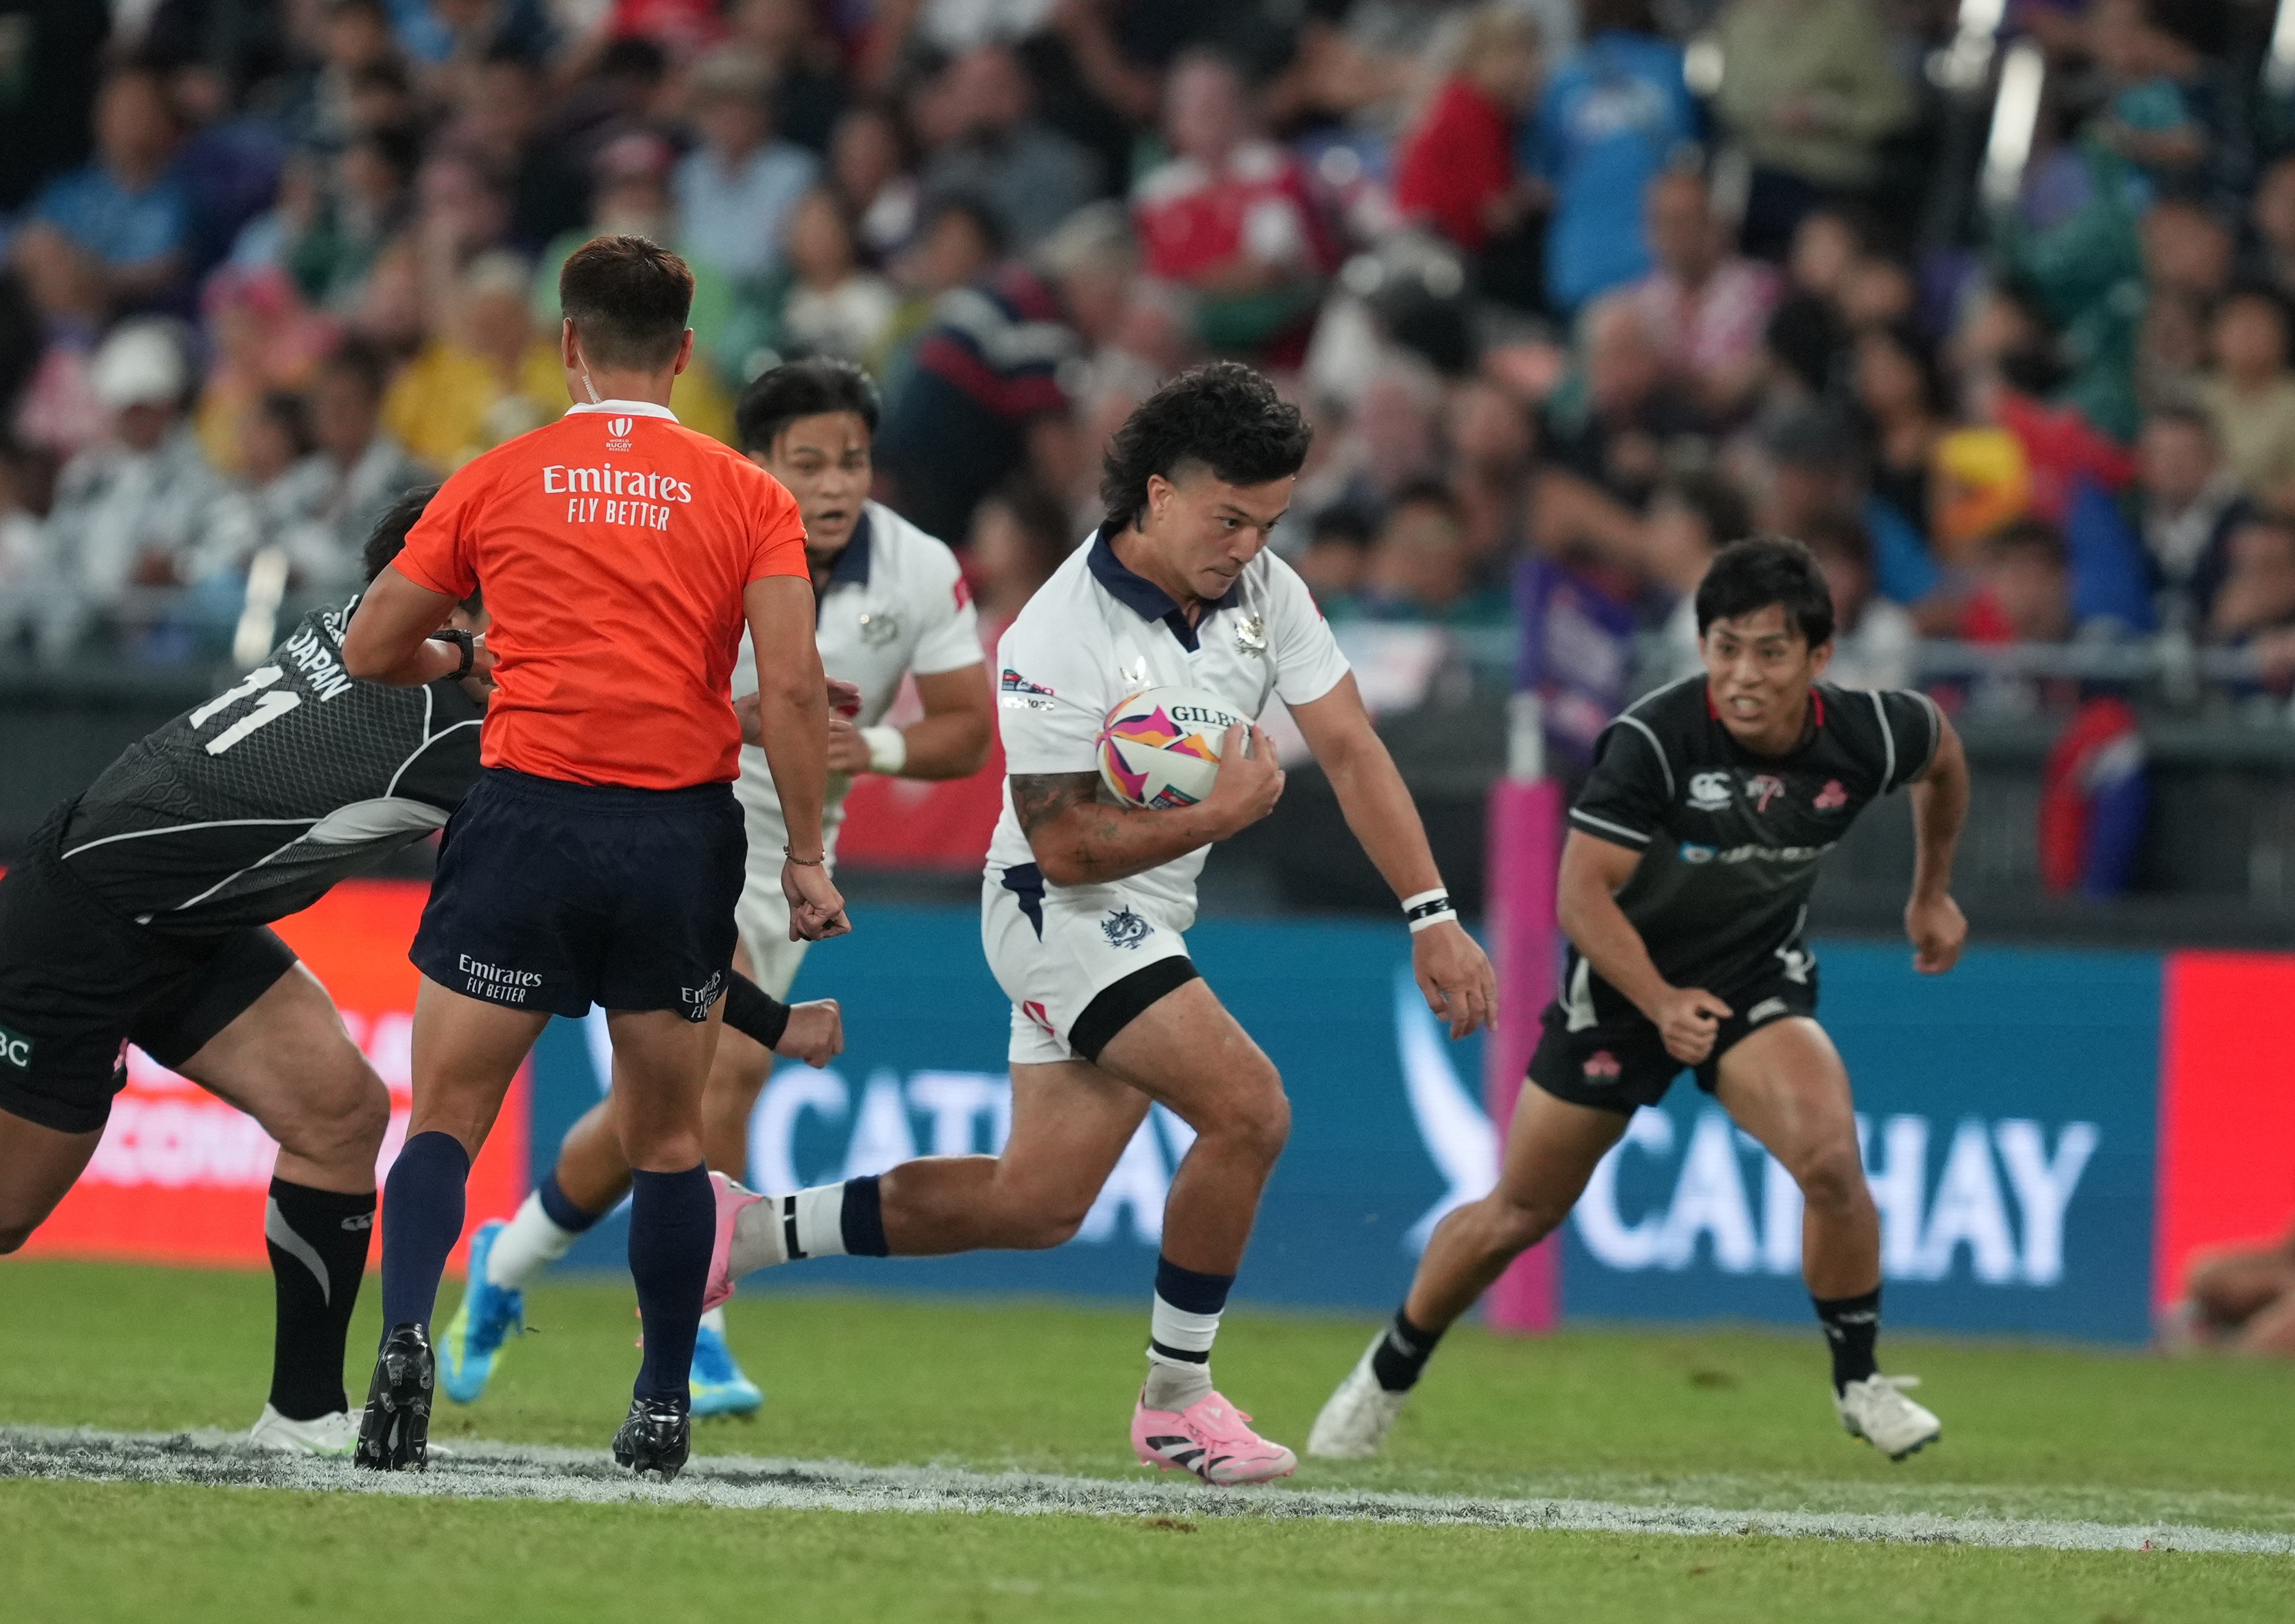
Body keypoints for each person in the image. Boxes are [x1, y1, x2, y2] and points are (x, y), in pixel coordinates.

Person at [702, 363, 1497, 1485]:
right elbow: (1066, 844)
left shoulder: (1266, 591)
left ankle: (746, 1231)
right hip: (1056, 910)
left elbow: (1356, 747)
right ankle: (1177, 1396)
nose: (1248, 545)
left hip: (1147, 910)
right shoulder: (1052, 634)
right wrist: (1221, 810)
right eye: (1230, 518)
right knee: (1250, 1110)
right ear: (1158, 494)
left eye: (1268, 521)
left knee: (1037, 1204)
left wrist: (1431, 914)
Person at [0, 486, 826, 1456]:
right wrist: (773, 1019)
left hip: (182, 918)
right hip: (82, 925)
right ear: (460, 610)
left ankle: (301, 1415)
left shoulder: (354, 632)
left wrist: (724, 714)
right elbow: (617, 848)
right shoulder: (442, 728)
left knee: (340, 1113)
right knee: (11, 1217)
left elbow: (578, 721)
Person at [340, 235, 844, 1482]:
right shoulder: (749, 494)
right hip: (674, 830)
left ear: (568, 346)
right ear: (683, 354)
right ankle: (662, 1400)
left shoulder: (498, 474)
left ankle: (405, 1342)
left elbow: (369, 647)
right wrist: (809, 856)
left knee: (448, 1116)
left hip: (523, 816)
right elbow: (789, 686)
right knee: (668, 1135)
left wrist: (465, 660)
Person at [1307, 536, 1970, 1465]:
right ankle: (1386, 1370)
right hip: (1621, 992)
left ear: (1819, 658)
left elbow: (1944, 759)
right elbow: (1580, 897)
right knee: (1518, 1212)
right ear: (1701, 647)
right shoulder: (1654, 741)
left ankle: (1859, 1380)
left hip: (1753, 980)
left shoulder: (1870, 730)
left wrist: (1930, 892)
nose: (1743, 674)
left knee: (1830, 1160)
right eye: (1725, 648)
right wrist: (1658, 1001)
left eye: (1770, 652)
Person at [440, 357, 993, 1415]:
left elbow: (967, 733)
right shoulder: (704, 528)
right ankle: (698, 1328)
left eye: (853, 461)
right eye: (808, 463)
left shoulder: (921, 568)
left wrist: (864, 746)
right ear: (761, 465)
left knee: (658, 1103)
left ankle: (509, 1261)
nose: (834, 486)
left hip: (793, 849)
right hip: (676, 826)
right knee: (730, 1073)